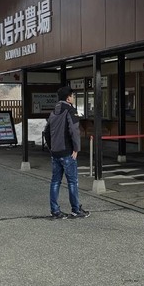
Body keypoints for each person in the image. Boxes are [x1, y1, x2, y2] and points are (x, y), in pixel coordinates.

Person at [43, 86, 90, 219]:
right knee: (72, 182)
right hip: (67, 152)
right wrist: (76, 149)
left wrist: (52, 148)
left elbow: (46, 132)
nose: (73, 98)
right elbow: (74, 131)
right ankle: (76, 209)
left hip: (55, 153)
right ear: (68, 97)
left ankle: (55, 211)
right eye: (73, 96)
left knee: (55, 181)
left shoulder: (53, 112)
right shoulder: (70, 110)